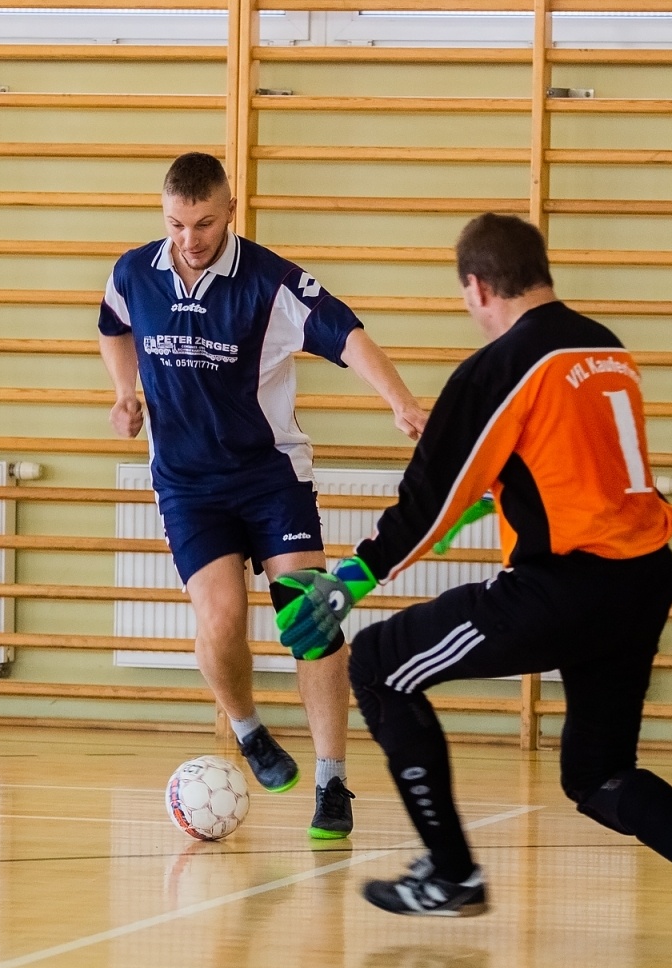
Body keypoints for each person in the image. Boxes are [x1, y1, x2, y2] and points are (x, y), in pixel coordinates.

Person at [273, 213, 672, 953]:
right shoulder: (602, 348)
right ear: (541, 271)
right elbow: (543, 470)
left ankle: (450, 873)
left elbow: (428, 496)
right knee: (597, 774)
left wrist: (352, 578)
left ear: (476, 287)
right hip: (644, 578)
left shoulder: (503, 366)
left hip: (567, 586)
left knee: (377, 665)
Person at [97, 152, 427, 839]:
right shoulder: (134, 272)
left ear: (231, 210)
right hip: (188, 486)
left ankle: (333, 781)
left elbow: (351, 336)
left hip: (270, 477)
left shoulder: (272, 284)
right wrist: (123, 394)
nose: (189, 238)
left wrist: (400, 402)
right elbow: (113, 328)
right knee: (218, 621)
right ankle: (248, 730)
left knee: (311, 619)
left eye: (204, 223)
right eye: (177, 223)